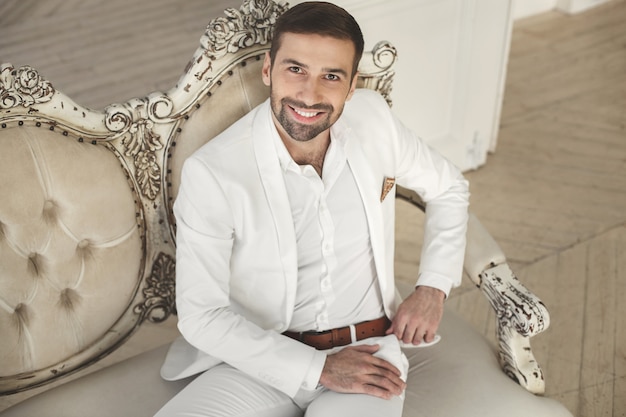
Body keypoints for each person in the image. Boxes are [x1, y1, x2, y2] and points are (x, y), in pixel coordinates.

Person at [156, 2, 469, 416]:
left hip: (369, 351)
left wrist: (433, 285)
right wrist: (318, 368)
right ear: (268, 69)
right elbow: (202, 317)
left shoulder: (374, 120)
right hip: (259, 360)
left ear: (352, 84)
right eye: (296, 69)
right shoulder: (214, 173)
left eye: (332, 76)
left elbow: (450, 187)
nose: (310, 94)